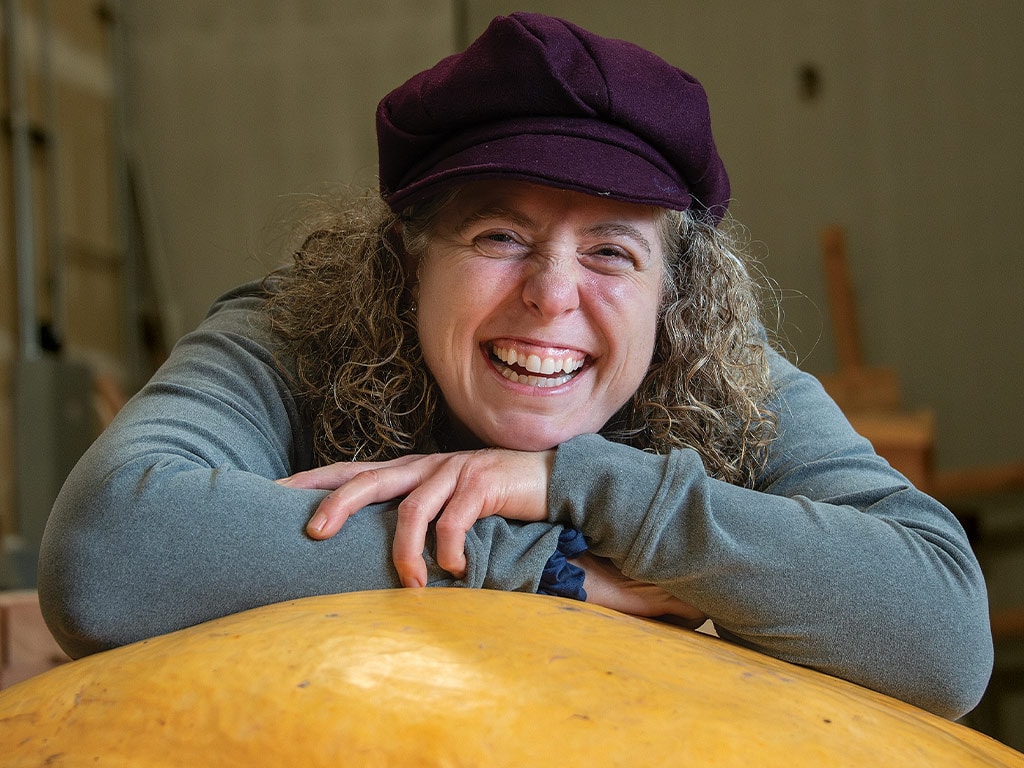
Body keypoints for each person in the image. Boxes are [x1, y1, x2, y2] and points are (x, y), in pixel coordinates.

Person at [38, 12, 991, 719]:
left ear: (676, 292)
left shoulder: (731, 381)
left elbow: (943, 637)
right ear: (406, 260)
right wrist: (554, 571)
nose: (551, 294)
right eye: (500, 235)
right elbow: (105, 555)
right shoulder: (292, 334)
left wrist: (574, 486)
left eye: (612, 251)